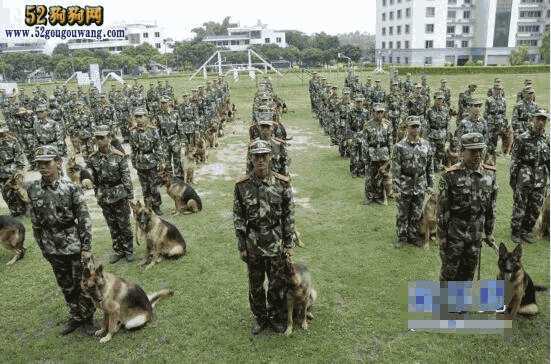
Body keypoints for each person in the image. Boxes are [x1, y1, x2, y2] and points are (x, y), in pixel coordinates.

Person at [27, 145, 95, 335]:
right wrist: (43, 248)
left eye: (47, 163)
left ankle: (88, 318)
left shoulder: (71, 188)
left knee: (82, 284)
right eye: (39, 164)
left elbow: (84, 219)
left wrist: (86, 247)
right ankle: (75, 316)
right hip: (51, 247)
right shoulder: (33, 189)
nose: (42, 167)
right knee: (65, 285)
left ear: (58, 163)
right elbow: (35, 223)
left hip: (73, 245)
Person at [233, 139, 295, 336]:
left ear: (270, 157)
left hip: (275, 241)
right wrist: (242, 245)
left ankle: (276, 316)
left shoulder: (282, 183)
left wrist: (288, 243)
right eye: (256, 156)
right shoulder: (242, 186)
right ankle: (260, 317)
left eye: (264, 156)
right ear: (251, 159)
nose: (260, 160)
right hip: (253, 242)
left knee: (277, 283)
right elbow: (238, 217)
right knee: (256, 284)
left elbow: (289, 215)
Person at [437, 133, 498, 282]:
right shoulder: (450, 175)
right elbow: (442, 210)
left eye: (479, 150)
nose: (477, 155)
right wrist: (442, 237)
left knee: (468, 272)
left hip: (476, 233)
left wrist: (488, 233)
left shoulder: (490, 174)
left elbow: (491, 208)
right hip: (455, 233)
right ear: (462, 151)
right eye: (472, 151)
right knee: (449, 272)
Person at [86, 125, 135, 263]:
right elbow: (90, 174)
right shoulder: (92, 158)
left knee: (124, 224)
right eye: (97, 138)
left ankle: (128, 250)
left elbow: (126, 176)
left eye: (102, 138)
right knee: (112, 225)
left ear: (109, 138)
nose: (99, 141)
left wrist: (129, 195)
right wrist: (87, 179)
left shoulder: (119, 155)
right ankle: (118, 250)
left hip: (119, 194)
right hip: (104, 195)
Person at [392, 116, 434, 248]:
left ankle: (413, 236)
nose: (415, 129)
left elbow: (429, 166)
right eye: (412, 126)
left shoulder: (426, 145)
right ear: (407, 127)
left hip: (420, 183)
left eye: (417, 126)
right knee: (402, 212)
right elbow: (396, 169)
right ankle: (401, 237)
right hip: (405, 182)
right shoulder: (399, 146)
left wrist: (430, 184)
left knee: (416, 212)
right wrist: (396, 188)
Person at [509, 110, 550, 244]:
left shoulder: (547, 140)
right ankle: (515, 231)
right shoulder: (522, 138)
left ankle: (526, 231)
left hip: (541, 178)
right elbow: (515, 161)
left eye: (544, 119)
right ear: (533, 119)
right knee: (520, 205)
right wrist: (514, 181)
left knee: (535, 207)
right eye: (538, 119)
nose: (541, 122)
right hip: (524, 176)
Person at [128, 107, 164, 215]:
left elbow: (158, 147)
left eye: (141, 116)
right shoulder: (133, 132)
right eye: (137, 117)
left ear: (146, 117)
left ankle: (156, 206)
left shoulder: (152, 130)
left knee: (153, 186)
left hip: (151, 161)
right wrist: (134, 162)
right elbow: (133, 149)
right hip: (140, 162)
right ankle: (148, 207)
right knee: (144, 187)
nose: (139, 119)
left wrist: (160, 161)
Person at [362, 104, 392, 205]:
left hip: (384, 153)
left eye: (381, 112)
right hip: (372, 152)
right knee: (370, 176)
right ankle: (369, 197)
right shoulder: (367, 125)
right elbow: (365, 142)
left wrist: (391, 156)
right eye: (377, 112)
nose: (379, 114)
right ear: (373, 112)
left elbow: (390, 141)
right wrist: (365, 157)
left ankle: (379, 196)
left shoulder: (387, 124)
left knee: (381, 176)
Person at [0, 124, 27, 216]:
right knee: (6, 194)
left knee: (19, 193)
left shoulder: (13, 141)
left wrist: (18, 172)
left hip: (13, 172)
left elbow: (19, 158)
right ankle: (14, 212)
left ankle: (24, 211)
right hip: (1, 174)